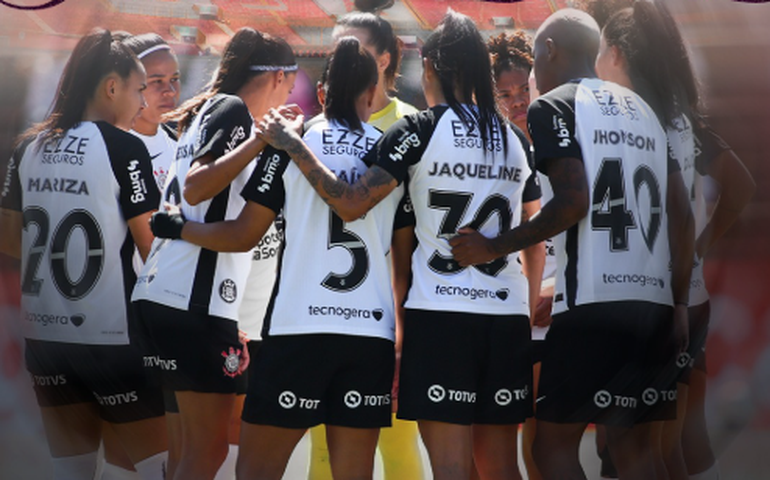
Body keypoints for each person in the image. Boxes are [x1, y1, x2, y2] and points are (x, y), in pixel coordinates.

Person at [257, 11, 540, 480]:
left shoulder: (416, 130)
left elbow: (351, 204)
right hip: (506, 317)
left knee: (449, 468)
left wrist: (293, 144)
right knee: (501, 469)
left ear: (428, 67)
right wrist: (523, 308)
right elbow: (537, 231)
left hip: (443, 318)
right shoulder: (513, 138)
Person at [449, 9, 695, 480]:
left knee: (551, 448)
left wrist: (492, 246)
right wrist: (679, 301)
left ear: (549, 50)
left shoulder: (555, 105)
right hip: (655, 306)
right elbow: (682, 216)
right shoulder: (643, 108)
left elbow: (573, 201)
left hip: (592, 306)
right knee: (636, 451)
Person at [152, 36, 412, 480]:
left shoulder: (291, 143)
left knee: (255, 471)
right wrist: (400, 342)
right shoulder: (391, 155)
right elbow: (403, 264)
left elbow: (245, 233)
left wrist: (180, 228)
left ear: (323, 94)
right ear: (372, 94)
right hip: (370, 335)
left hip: (297, 331)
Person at [594, 2, 755, 479]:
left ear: (617, 54)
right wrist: (700, 248)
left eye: (600, 50)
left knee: (638, 447)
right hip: (687, 294)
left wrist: (697, 245)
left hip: (652, 295)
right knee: (673, 444)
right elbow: (741, 187)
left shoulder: (627, 117)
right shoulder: (681, 117)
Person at [0, 29, 168, 480]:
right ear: (111, 87)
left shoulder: (27, 146)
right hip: (114, 338)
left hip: (45, 339)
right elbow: (151, 243)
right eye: (139, 91)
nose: (142, 104)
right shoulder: (125, 147)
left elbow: (8, 238)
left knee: (71, 471)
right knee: (158, 468)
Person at [130, 27, 296, 480]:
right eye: (291, 83)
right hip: (192, 304)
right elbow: (197, 185)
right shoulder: (233, 110)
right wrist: (263, 141)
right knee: (207, 454)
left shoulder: (208, 111)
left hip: (165, 297)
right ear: (280, 76)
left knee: (185, 452)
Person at [308, 12, 423, 480]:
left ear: (386, 59)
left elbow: (412, 239)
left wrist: (403, 323)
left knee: (398, 448)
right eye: (337, 52)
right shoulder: (313, 130)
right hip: (317, 320)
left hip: (385, 324)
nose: (343, 61)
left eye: (353, 50)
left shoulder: (413, 124)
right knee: (323, 455)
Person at [488, 30, 547, 480]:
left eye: (522, 90)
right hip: (504, 314)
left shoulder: (563, 145)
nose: (515, 102)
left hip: (551, 314)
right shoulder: (494, 150)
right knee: (488, 447)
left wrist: (545, 295)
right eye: (504, 94)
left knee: (542, 449)